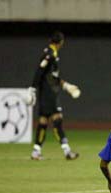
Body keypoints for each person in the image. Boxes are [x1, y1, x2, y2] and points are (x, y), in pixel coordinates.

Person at [29, 31, 81, 160]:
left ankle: (36, 151)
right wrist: (32, 88)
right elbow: (40, 71)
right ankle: (67, 151)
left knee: (43, 121)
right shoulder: (50, 54)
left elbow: (51, 77)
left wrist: (66, 86)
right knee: (57, 120)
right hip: (49, 93)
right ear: (60, 42)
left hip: (46, 92)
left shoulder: (51, 53)